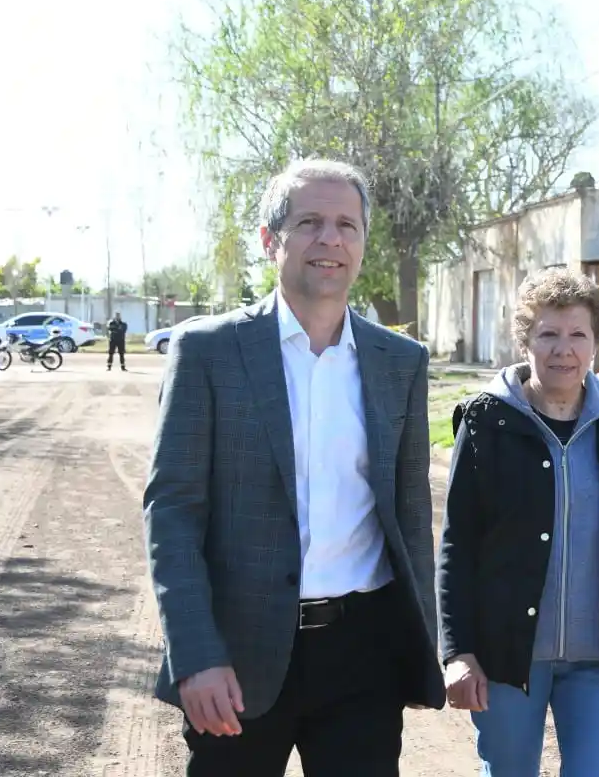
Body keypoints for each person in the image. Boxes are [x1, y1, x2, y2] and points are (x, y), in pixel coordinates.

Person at [143, 159, 443, 777]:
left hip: (364, 654)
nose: (330, 239)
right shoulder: (207, 351)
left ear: (362, 243)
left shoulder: (400, 362)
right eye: (309, 222)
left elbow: (412, 516)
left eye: (346, 225)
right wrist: (196, 654)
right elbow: (172, 512)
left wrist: (422, 647)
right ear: (270, 240)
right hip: (238, 659)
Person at [438, 267, 599, 776]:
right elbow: (458, 544)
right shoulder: (486, 422)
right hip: (506, 655)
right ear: (525, 341)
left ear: (595, 344)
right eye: (548, 334)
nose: (562, 349)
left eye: (577, 335)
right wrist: (457, 651)